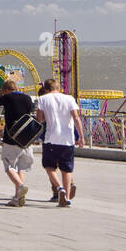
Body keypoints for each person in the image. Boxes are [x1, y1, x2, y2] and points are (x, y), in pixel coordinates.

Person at [36, 78, 83, 207]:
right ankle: (67, 198)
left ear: (46, 89)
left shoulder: (42, 99)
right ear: (59, 88)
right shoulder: (69, 99)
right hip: (68, 139)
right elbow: (76, 118)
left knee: (49, 167)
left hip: (51, 138)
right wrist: (81, 137)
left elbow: (40, 120)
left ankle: (59, 188)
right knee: (66, 170)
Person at [0, 79, 35, 207]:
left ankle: (20, 186)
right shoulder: (28, 98)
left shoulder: (6, 97)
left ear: (6, 89)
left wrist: (0, 94)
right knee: (20, 167)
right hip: (25, 138)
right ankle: (18, 197)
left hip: (11, 137)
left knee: (9, 166)